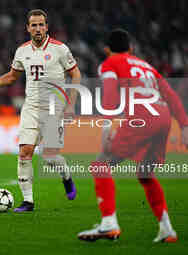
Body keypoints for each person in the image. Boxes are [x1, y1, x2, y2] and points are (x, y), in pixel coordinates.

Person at [77, 29, 188, 242]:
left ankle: (108, 223)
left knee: (101, 165)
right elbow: (171, 95)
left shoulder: (110, 63)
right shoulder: (147, 66)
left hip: (141, 116)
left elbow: (108, 95)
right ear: (131, 48)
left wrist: (107, 128)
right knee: (146, 175)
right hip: (163, 117)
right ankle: (167, 230)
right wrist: (184, 126)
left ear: (107, 49)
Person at [0, 9, 81, 212]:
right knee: (25, 152)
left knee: (49, 157)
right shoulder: (22, 51)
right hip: (31, 107)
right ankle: (28, 201)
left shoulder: (60, 49)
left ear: (47, 27)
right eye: (34, 25)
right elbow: (11, 77)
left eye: (41, 24)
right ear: (28, 28)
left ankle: (66, 177)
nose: (38, 28)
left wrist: (71, 105)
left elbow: (75, 74)